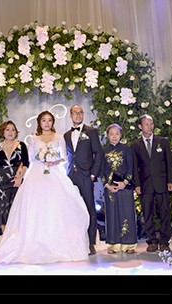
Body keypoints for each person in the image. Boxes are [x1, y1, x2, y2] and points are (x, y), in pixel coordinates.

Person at [0, 110, 90, 264]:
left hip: (54, 173)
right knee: (35, 207)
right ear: (39, 122)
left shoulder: (59, 137)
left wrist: (54, 161)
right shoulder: (34, 138)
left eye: (49, 120)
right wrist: (30, 166)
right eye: (44, 120)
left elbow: (65, 158)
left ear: (53, 122)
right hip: (37, 174)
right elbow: (30, 158)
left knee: (56, 206)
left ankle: (57, 241)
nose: (47, 123)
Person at [64, 104, 105, 255]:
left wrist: (93, 174)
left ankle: (91, 243)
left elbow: (99, 153)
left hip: (86, 175)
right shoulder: (66, 135)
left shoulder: (91, 131)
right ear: (70, 115)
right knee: (73, 209)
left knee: (89, 208)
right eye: (75, 113)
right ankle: (75, 241)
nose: (78, 115)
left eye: (80, 112)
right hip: (71, 176)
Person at [132, 114, 172, 252]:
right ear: (140, 126)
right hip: (145, 184)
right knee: (148, 213)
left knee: (164, 212)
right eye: (146, 124)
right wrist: (137, 184)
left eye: (151, 123)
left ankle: (164, 241)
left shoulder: (162, 141)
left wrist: (170, 180)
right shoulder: (135, 145)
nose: (150, 126)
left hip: (162, 182)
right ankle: (151, 241)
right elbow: (135, 167)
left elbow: (169, 162)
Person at [100, 123, 138, 254]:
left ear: (121, 135)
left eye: (117, 134)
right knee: (111, 214)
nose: (114, 136)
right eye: (111, 134)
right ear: (107, 136)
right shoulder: (103, 150)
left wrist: (125, 183)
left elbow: (130, 167)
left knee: (127, 213)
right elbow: (101, 170)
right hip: (110, 187)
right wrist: (107, 185)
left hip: (125, 187)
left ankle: (129, 245)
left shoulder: (126, 149)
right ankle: (113, 245)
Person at [0, 120, 29, 233]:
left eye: (13, 129)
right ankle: (5, 236)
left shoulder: (21, 145)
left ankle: (16, 236)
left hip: (16, 181)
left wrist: (20, 177)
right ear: (3, 132)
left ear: (16, 132)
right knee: (3, 209)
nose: (10, 132)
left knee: (16, 208)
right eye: (7, 129)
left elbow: (26, 163)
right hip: (1, 182)